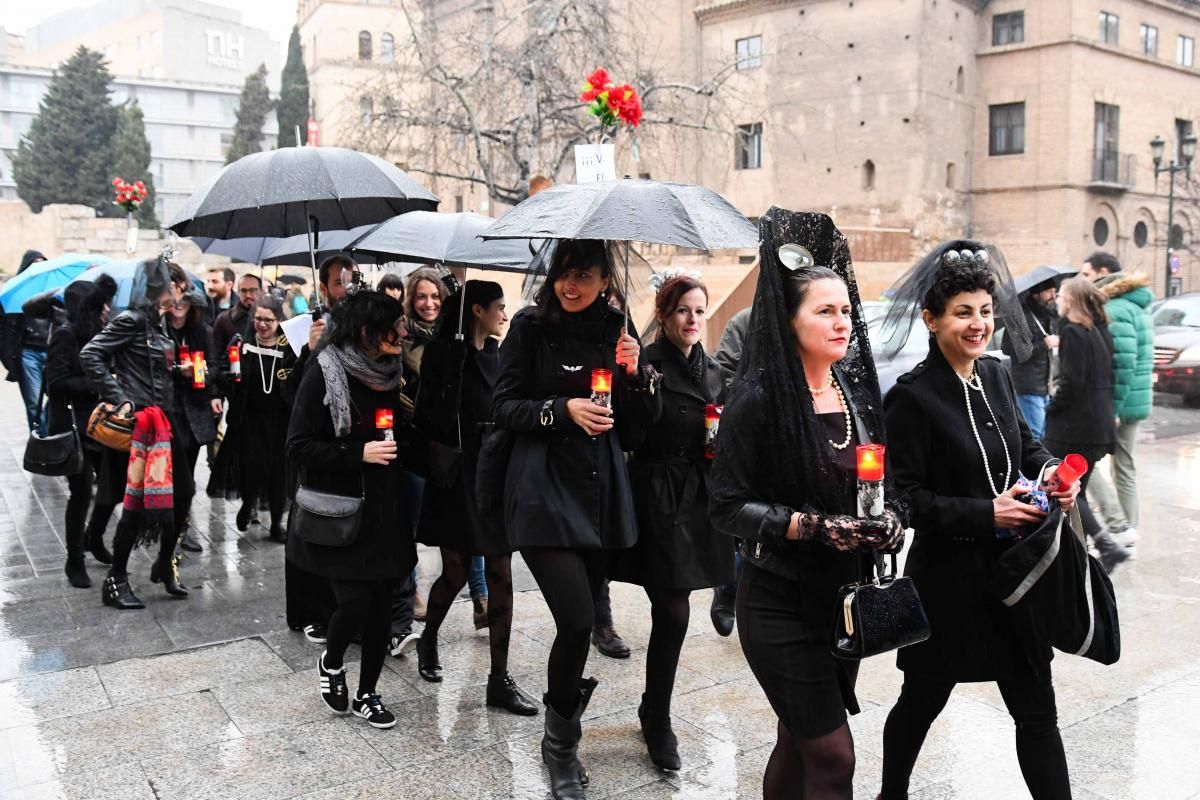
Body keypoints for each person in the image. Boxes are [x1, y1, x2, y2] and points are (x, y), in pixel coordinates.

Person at [710, 210, 905, 800]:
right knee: (834, 754)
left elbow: (882, 482)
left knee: (797, 740)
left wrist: (888, 519)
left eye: (846, 309)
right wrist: (812, 527)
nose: (842, 321)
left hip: (841, 601)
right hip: (777, 603)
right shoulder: (756, 400)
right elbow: (725, 507)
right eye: (825, 310)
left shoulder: (856, 391)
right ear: (789, 320)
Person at [878, 241, 1082, 800]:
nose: (979, 324)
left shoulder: (995, 375)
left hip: (1014, 578)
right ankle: (889, 792)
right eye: (964, 312)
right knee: (922, 700)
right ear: (931, 319)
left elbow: (1027, 444)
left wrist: (1052, 476)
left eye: (986, 311)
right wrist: (983, 512)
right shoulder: (912, 398)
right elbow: (904, 497)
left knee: (1037, 710)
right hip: (948, 583)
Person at [493, 238, 656, 800]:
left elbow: (634, 432)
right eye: (564, 274)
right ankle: (559, 746)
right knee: (575, 619)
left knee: (582, 625)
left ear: (606, 280)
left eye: (584, 275)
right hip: (540, 490)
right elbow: (502, 405)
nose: (571, 285)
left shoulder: (619, 330)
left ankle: (563, 713)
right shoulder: (529, 327)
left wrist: (635, 377)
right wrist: (561, 410)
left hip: (598, 493)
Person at [613, 272, 734, 770]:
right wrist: (636, 382)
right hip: (657, 494)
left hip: (699, 494)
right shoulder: (644, 361)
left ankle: (651, 708)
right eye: (683, 310)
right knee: (674, 612)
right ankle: (656, 718)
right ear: (663, 315)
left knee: (675, 614)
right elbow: (630, 435)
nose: (693, 320)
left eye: (700, 311)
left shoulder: (711, 369)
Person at [287, 290, 415, 730]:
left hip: (386, 510)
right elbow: (299, 445)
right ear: (365, 331)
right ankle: (332, 659)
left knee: (380, 608)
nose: (403, 331)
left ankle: (368, 693)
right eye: (395, 324)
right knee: (355, 602)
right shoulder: (323, 372)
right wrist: (357, 454)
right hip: (342, 513)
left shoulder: (393, 372)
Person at [411, 280, 537, 714]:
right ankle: (428, 640)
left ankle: (499, 677)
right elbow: (430, 416)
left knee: (501, 573)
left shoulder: (501, 357)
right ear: (477, 310)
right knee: (457, 571)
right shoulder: (446, 355)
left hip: (495, 476)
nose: (505, 314)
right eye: (498, 307)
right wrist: (452, 362)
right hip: (458, 476)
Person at [80, 257, 194, 609]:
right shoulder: (131, 320)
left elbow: (154, 372)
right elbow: (91, 354)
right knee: (134, 504)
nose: (179, 292)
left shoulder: (159, 327)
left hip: (165, 423)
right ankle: (115, 579)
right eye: (174, 285)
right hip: (141, 427)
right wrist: (121, 398)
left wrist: (177, 371)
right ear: (160, 286)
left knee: (184, 493)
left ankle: (164, 562)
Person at [279, 254, 355, 644]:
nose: (348, 287)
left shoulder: (360, 322)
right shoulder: (304, 326)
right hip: (312, 440)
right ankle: (310, 611)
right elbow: (290, 393)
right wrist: (308, 352)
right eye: (340, 281)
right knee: (312, 523)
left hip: (348, 442)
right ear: (324, 288)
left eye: (352, 279)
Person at [1044, 277, 1128, 573]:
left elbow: (1072, 383)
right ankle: (1086, 548)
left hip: (1073, 427)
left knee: (1063, 489)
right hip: (1096, 424)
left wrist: (1051, 408)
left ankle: (1102, 545)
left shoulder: (1073, 332)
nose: (1058, 301)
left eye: (1062, 296)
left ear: (1072, 301)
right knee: (1073, 491)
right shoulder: (1098, 331)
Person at [45, 274, 119, 588]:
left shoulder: (100, 332)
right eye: (100, 305)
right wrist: (96, 386)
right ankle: (74, 560)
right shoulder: (65, 334)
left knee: (112, 486)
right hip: (74, 424)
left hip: (101, 424)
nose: (106, 309)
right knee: (81, 492)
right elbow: (56, 383)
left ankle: (94, 536)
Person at [1081, 251, 1152, 548]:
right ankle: (1127, 532)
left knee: (1083, 460)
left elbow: (1124, 363)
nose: (1082, 280)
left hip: (1118, 403)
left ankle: (1118, 525)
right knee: (1124, 465)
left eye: (1086, 274)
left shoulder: (1117, 307)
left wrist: (1114, 409)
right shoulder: (1134, 304)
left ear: (1102, 272)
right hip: (1133, 401)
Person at [227, 295, 296, 541]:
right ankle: (247, 505)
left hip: (280, 420)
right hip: (250, 420)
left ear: (279, 321)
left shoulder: (288, 348)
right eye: (258, 319)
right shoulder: (242, 345)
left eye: (268, 320)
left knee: (279, 473)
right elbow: (230, 381)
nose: (262, 324)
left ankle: (277, 524)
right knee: (251, 468)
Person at [164, 266, 221, 556]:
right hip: (169, 410)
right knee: (174, 475)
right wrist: (177, 371)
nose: (178, 309)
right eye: (174, 304)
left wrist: (198, 372)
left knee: (187, 472)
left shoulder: (202, 331)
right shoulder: (159, 331)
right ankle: (171, 528)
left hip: (194, 412)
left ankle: (182, 526)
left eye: (183, 304)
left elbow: (213, 368)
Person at [708, 305, 752, 637]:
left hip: (805, 431)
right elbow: (722, 372)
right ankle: (728, 587)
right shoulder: (745, 321)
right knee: (748, 522)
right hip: (751, 431)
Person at [1003, 280, 1059, 440]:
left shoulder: (1047, 316)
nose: (1054, 297)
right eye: (1049, 292)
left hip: (1046, 384)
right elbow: (1009, 348)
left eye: (1055, 292)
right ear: (1036, 293)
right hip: (1028, 386)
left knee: (1045, 434)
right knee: (1034, 435)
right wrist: (1044, 344)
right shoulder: (1020, 318)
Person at [1, 251, 46, 410]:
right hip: (28, 351)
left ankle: (51, 433)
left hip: (53, 350)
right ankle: (38, 434)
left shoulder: (53, 289)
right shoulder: (15, 292)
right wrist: (8, 359)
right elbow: (4, 329)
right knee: (34, 402)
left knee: (57, 402)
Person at [213, 273, 262, 355]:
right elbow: (216, 354)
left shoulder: (272, 318)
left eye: (253, 290)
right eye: (243, 290)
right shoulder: (224, 319)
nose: (248, 295)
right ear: (238, 292)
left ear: (261, 291)